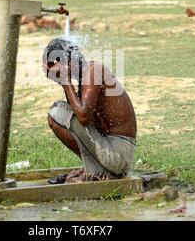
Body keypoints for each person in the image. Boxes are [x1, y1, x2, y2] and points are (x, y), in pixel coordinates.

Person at [43, 37, 137, 183]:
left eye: (51, 65)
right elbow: (84, 125)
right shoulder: (84, 79)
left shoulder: (93, 71)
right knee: (60, 108)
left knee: (56, 112)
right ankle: (92, 167)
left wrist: (65, 82)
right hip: (112, 153)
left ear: (66, 62)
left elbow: (83, 117)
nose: (48, 72)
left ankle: (96, 170)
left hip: (118, 155)